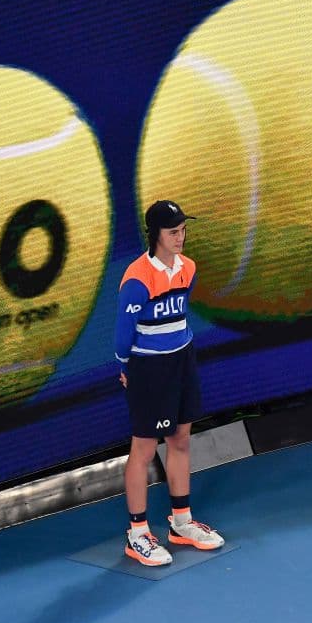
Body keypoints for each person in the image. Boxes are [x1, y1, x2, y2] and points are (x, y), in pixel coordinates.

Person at [113, 199, 224, 566]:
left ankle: (181, 523)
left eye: (183, 230)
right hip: (148, 368)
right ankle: (137, 533)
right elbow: (122, 334)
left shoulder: (188, 269)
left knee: (179, 438)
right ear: (155, 235)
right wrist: (126, 366)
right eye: (173, 232)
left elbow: (179, 313)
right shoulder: (136, 279)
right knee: (143, 449)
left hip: (182, 361)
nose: (180, 238)